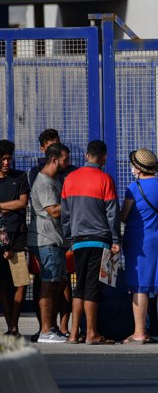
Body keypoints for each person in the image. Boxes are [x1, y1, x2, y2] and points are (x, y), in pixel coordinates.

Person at [61, 140, 120, 345]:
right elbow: (112, 213)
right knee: (93, 287)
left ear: (87, 155)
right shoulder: (105, 179)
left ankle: (74, 333)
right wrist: (115, 239)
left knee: (80, 286)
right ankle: (92, 333)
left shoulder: (70, 178)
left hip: (78, 241)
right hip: (99, 240)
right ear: (103, 157)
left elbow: (65, 213)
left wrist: (69, 236)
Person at [120, 148, 158, 344]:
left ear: (137, 167)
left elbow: (124, 216)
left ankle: (139, 332)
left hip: (141, 238)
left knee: (140, 286)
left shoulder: (134, 188)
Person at [27, 143, 71, 343]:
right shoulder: (44, 182)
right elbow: (53, 210)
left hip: (56, 240)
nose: (67, 164)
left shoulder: (53, 181)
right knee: (47, 283)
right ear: (54, 160)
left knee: (56, 284)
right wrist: (75, 202)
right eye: (65, 160)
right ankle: (46, 330)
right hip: (46, 240)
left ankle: (51, 327)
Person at [0, 139, 29, 337]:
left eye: (9, 158)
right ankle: (10, 326)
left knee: (20, 281)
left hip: (17, 235)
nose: (6, 162)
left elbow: (22, 203)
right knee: (3, 284)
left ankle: (14, 325)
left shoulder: (20, 177)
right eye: (3, 159)